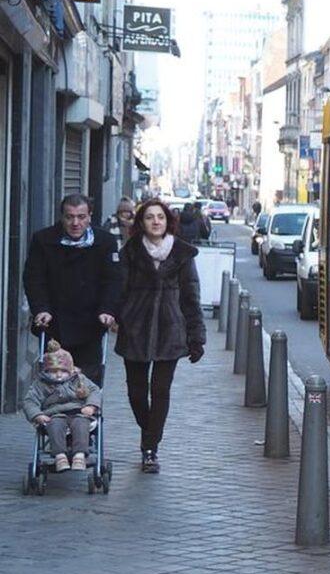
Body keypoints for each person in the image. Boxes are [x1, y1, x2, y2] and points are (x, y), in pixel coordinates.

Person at [115, 199, 205, 473]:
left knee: (161, 391)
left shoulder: (182, 254)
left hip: (170, 330)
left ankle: (150, 449)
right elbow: (119, 290)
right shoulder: (130, 252)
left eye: (161, 217)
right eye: (150, 217)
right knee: (136, 393)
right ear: (141, 223)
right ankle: (149, 432)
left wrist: (196, 337)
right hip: (135, 329)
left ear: (168, 222)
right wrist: (115, 316)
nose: (156, 221)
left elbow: (191, 297)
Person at [23, 194, 120, 388]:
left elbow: (113, 279)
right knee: (53, 380)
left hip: (90, 323)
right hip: (54, 322)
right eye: (70, 217)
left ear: (90, 216)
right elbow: (34, 278)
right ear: (62, 217)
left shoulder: (105, 242)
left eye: (81, 217)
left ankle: (87, 415)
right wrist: (41, 308)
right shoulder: (43, 240)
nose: (75, 223)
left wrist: (107, 309)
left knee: (87, 383)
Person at [22, 340, 101, 472]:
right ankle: (60, 455)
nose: (58, 375)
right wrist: (38, 414)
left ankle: (79, 455)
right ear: (46, 371)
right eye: (53, 371)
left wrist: (91, 406)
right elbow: (30, 401)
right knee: (55, 426)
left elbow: (94, 391)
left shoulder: (79, 379)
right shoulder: (41, 384)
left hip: (79, 412)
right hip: (54, 414)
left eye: (63, 371)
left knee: (81, 425)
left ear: (70, 370)